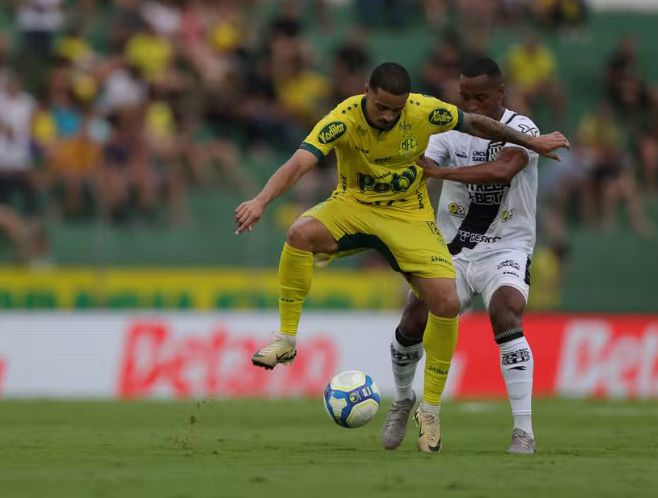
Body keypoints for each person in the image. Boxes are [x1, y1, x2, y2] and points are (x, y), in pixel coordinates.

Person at [234, 62, 569, 453]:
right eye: (382, 108)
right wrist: (260, 200)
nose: (389, 116)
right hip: (356, 206)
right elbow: (300, 162)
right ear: (366, 93)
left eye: (397, 109)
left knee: (449, 303)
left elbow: (480, 130)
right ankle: (288, 340)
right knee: (300, 233)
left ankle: (433, 411)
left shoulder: (427, 112)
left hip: (432, 224)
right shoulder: (342, 118)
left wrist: (533, 143)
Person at [380, 57, 539, 454]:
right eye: (464, 97)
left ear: (500, 93)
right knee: (413, 319)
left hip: (506, 247)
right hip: (452, 250)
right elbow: (424, 161)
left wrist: (440, 175)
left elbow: (501, 171)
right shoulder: (450, 129)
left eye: (481, 98)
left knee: (506, 311)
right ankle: (403, 400)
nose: (471, 106)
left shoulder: (522, 130)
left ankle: (524, 430)